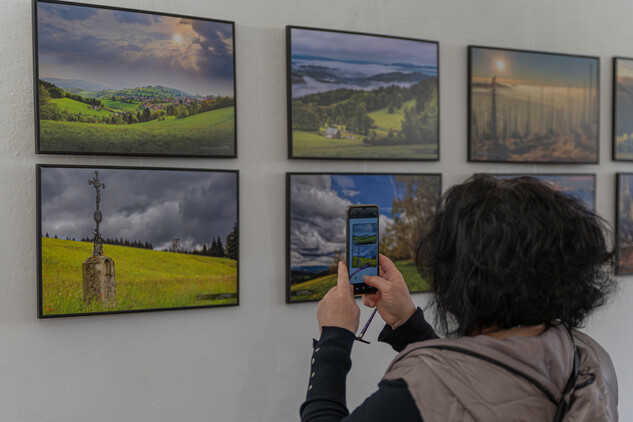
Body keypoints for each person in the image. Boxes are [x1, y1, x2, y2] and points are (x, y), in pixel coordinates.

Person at [300, 175, 618, 422]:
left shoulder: (420, 386)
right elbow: (482, 379)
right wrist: (409, 325)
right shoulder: (590, 359)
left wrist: (334, 337)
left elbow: (457, 388)